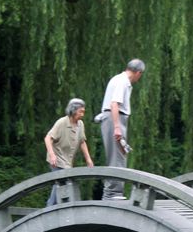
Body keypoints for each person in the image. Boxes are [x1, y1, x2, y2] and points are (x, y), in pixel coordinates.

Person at [95, 59, 145, 199]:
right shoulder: (122, 81)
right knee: (116, 157)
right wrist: (117, 127)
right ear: (138, 72)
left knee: (120, 154)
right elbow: (114, 104)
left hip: (114, 118)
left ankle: (113, 192)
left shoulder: (119, 79)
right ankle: (112, 193)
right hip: (114, 118)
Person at [44, 97, 94, 206]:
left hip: (67, 162)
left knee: (64, 184)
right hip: (56, 159)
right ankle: (50, 207)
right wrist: (52, 155)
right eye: (80, 112)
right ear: (73, 110)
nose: (82, 114)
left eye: (83, 112)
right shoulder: (61, 122)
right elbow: (48, 138)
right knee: (61, 183)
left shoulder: (80, 124)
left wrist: (88, 159)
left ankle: (55, 208)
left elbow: (82, 142)